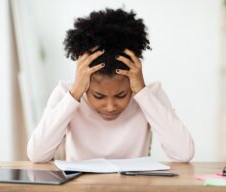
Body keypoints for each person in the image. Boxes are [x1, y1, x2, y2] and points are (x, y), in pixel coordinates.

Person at [27, 8, 195, 163]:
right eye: (98, 96)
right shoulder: (67, 94)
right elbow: (37, 155)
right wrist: (75, 93)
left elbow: (183, 153)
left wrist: (142, 93)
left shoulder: (150, 94)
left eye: (121, 95)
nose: (110, 107)